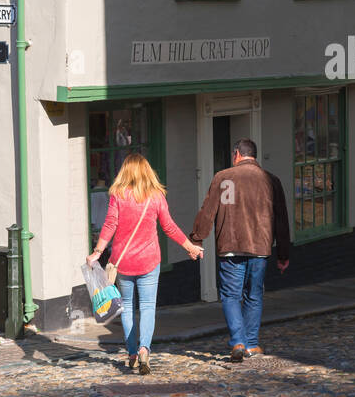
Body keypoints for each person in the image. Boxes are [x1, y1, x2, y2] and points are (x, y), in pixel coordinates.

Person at [88, 153, 202, 375]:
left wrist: (97, 252)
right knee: (148, 307)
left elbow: (110, 224)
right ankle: (144, 349)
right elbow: (168, 226)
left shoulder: (117, 195)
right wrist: (190, 247)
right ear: (147, 171)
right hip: (149, 261)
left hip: (124, 262)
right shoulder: (156, 196)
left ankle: (131, 353)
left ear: (125, 171)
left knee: (127, 308)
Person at [190, 138, 292, 363]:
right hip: (260, 247)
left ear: (236, 154)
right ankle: (252, 344)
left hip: (231, 246)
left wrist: (196, 239)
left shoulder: (223, 177)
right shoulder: (271, 181)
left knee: (230, 295)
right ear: (254, 155)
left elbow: (208, 212)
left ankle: (237, 340)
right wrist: (283, 254)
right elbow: (282, 220)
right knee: (254, 296)